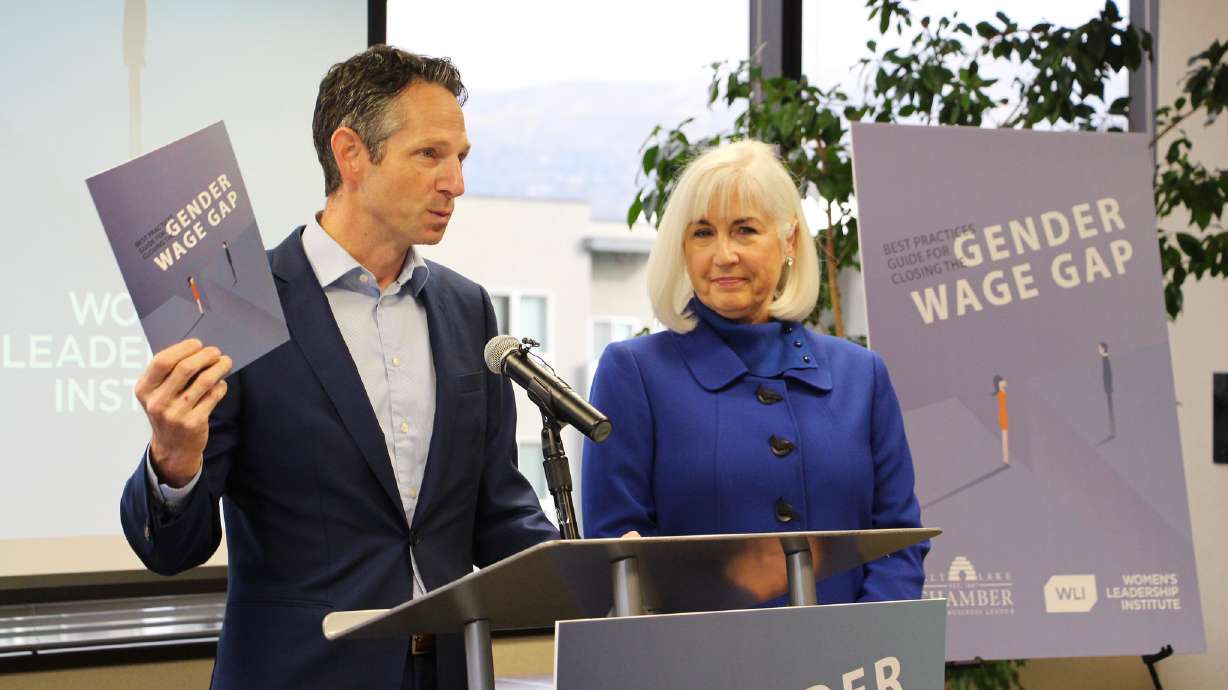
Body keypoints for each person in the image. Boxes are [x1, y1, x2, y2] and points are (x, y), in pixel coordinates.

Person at [120, 46, 558, 690]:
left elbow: (498, 513)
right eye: (431, 154)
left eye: (461, 158)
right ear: (351, 153)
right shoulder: (234, 298)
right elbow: (169, 551)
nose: (456, 183)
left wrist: (589, 569)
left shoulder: (468, 309)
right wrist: (173, 461)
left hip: (451, 673)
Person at [581, 139, 927, 603]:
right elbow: (618, 556)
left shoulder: (862, 377)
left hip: (855, 664)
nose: (723, 254)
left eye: (744, 230)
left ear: (789, 242)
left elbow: (898, 542)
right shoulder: (633, 374)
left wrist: (864, 646)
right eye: (702, 233)